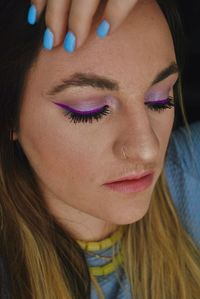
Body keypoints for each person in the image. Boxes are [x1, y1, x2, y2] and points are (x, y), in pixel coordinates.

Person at [0, 0, 199, 298]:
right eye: (89, 110)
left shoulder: (190, 173)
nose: (147, 149)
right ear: (9, 116)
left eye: (159, 99)